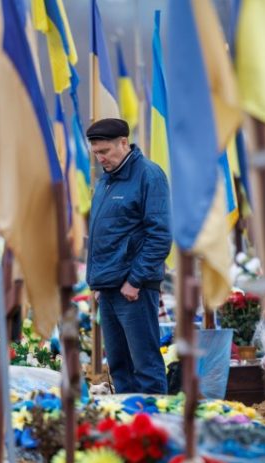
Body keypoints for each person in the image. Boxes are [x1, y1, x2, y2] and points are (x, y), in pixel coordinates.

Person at [85, 118, 172, 394]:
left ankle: (157, 429)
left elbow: (159, 235)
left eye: (105, 152)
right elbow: (103, 236)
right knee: (120, 367)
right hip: (109, 289)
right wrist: (97, 284)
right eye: (96, 153)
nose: (100, 159)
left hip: (132, 289)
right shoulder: (105, 182)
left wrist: (135, 280)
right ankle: (130, 430)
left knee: (145, 365)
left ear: (124, 143)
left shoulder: (149, 175)